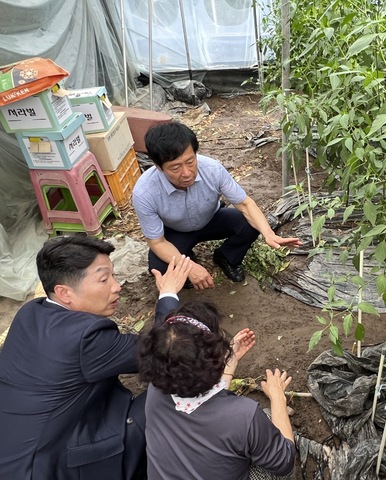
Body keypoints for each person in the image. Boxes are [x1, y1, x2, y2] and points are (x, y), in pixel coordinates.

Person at [0, 235, 192, 480]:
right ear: (64, 293)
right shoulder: (86, 339)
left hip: (17, 451)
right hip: (52, 467)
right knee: (172, 387)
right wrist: (168, 294)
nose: (116, 286)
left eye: (113, 275)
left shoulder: (31, 311)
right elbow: (163, 349)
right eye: (104, 279)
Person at [132, 121, 301, 289]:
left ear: (195, 153)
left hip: (211, 218)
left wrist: (269, 234)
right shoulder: (145, 192)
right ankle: (187, 261)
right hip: (175, 230)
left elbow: (245, 204)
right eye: (175, 167)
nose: (186, 173)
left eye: (190, 161)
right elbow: (157, 242)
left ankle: (226, 257)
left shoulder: (212, 169)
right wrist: (189, 267)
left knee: (248, 224)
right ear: (158, 167)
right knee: (161, 269)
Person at [138, 301, 296, 480]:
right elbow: (285, 463)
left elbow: (200, 397)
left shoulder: (155, 392)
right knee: (269, 421)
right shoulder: (244, 415)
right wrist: (278, 397)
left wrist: (229, 362)